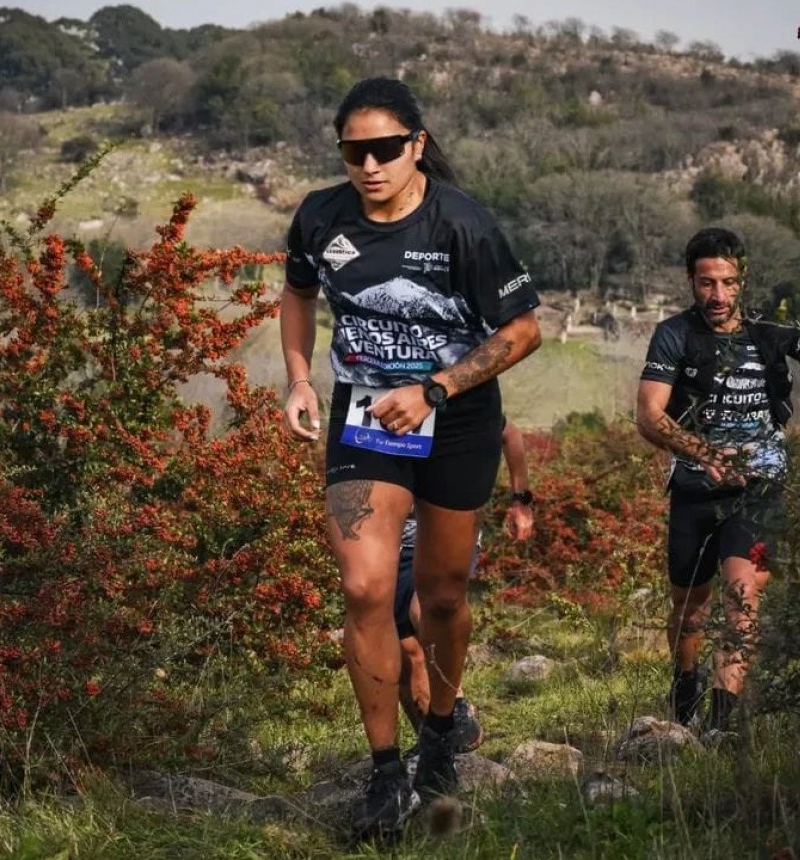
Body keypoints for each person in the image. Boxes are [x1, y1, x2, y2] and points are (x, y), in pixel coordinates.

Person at [280, 76, 541, 839]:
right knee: (365, 588)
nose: (370, 165)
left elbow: (523, 331)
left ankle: (440, 731)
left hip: (456, 421)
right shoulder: (320, 216)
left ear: (416, 144)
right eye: (355, 151)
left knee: (442, 598)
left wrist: (435, 387)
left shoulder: (463, 223)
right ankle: (385, 776)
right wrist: (299, 379)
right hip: (364, 419)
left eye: (386, 148)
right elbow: (296, 294)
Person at [636, 227, 800, 743]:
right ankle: (685, 691)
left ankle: (719, 728)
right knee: (689, 607)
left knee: (743, 596)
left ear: (742, 281)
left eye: (727, 282)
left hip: (760, 485)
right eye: (706, 283)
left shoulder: (772, 335)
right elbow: (649, 416)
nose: (717, 296)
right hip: (695, 489)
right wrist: (703, 453)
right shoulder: (675, 335)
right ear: (691, 281)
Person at [395, 417, 534, 748]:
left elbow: (509, 433)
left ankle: (455, 705)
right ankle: (433, 745)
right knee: (405, 653)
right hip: (392, 539)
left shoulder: (445, 390)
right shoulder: (376, 393)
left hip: (449, 524)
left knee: (424, 607)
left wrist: (521, 499)